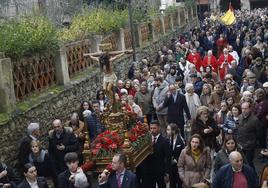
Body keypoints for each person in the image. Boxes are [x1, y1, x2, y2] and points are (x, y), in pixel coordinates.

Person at [140, 121, 171, 188]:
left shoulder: (165, 141)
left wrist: (167, 172)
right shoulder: (146, 140)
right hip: (149, 172)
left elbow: (168, 158)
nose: (152, 130)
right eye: (151, 128)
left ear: (159, 128)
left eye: (154, 128)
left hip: (160, 171)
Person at [237, 101, 261, 170]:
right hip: (240, 145)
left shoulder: (255, 120)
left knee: (248, 163)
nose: (243, 110)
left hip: (249, 146)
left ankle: (253, 177)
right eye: (242, 108)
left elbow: (259, 133)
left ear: (250, 109)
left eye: (245, 108)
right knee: (241, 163)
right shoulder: (240, 117)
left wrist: (254, 143)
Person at [166, 123, 185, 188]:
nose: (167, 131)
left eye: (168, 130)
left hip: (179, 165)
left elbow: (183, 153)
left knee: (179, 182)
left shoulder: (181, 140)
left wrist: (175, 160)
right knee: (172, 183)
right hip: (170, 166)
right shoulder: (167, 139)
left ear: (173, 131)